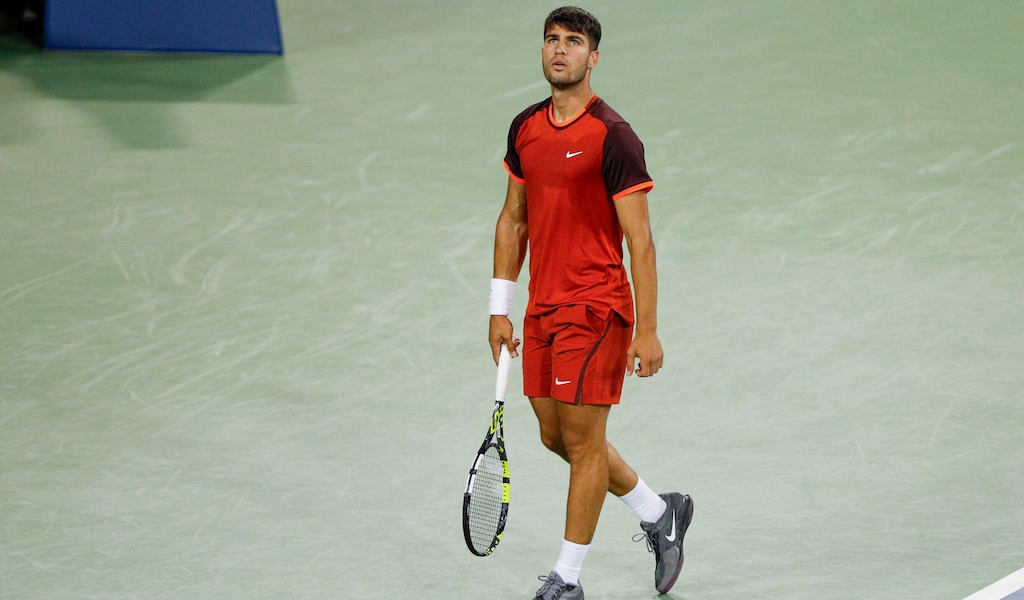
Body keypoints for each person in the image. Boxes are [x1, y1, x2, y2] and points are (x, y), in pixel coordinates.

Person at [487, 6, 693, 599]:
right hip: (542, 307)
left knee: (582, 445)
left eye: (573, 42)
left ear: (592, 57)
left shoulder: (614, 137)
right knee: (558, 437)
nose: (560, 51)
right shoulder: (524, 127)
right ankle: (660, 512)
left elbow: (640, 240)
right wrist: (500, 306)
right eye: (552, 40)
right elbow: (512, 218)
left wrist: (646, 329)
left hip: (597, 309)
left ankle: (567, 581)